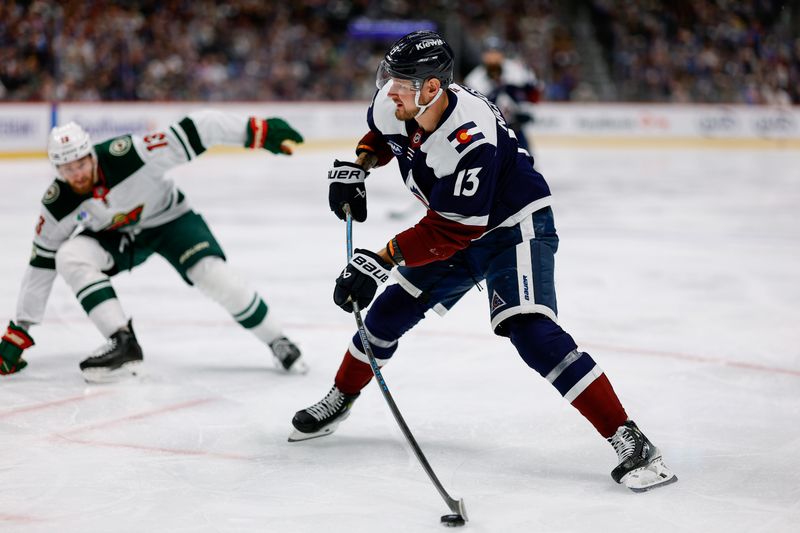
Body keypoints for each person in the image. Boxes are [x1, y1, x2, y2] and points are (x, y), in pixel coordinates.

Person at [289, 30, 677, 493]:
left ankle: (628, 437)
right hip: (457, 222)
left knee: (531, 332)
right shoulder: (399, 100)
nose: (388, 89)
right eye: (387, 77)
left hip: (514, 227)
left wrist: (382, 258)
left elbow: (455, 231)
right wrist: (359, 165)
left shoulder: (470, 138)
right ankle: (341, 396)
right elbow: (380, 134)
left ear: (432, 87)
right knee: (385, 316)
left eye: (401, 81)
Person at [0, 111, 308, 382]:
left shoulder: (131, 154)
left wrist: (257, 131)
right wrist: (20, 330)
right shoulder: (57, 203)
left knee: (215, 276)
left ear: (92, 154)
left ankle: (277, 339)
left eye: (81, 163)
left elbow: (199, 127)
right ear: (57, 170)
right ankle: (122, 342)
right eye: (67, 169)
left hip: (170, 220)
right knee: (69, 255)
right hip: (118, 236)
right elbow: (41, 263)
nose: (77, 174)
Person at [463, 36, 541, 153]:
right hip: (490, 133)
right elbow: (469, 110)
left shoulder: (517, 70)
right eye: (490, 53)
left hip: (516, 130)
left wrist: (526, 110)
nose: (493, 57)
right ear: (484, 56)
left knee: (527, 165)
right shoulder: (474, 80)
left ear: (502, 54)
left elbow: (533, 92)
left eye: (496, 53)